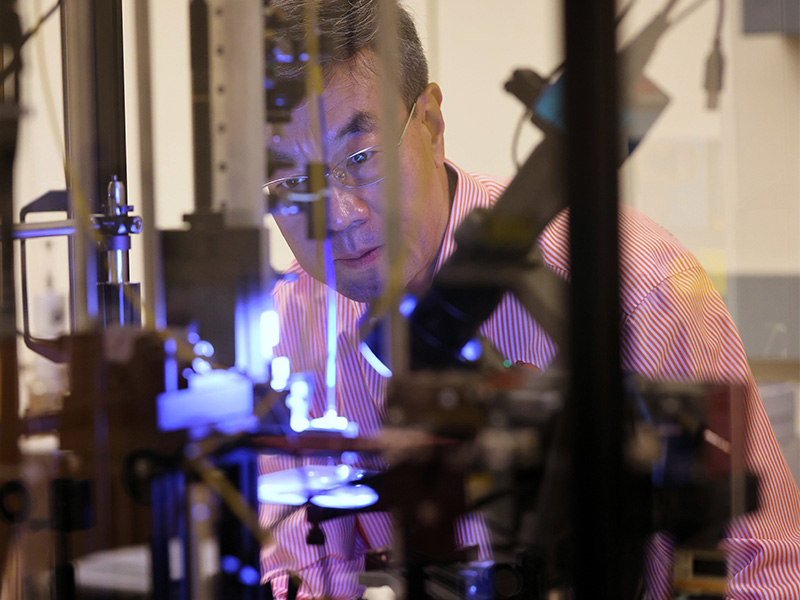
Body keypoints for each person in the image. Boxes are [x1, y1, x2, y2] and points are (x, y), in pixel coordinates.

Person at [259, 1, 800, 599]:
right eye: (291, 183)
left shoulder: (639, 285)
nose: (339, 216)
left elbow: (761, 569)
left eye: (361, 159)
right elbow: (300, 575)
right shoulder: (292, 321)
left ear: (432, 125)